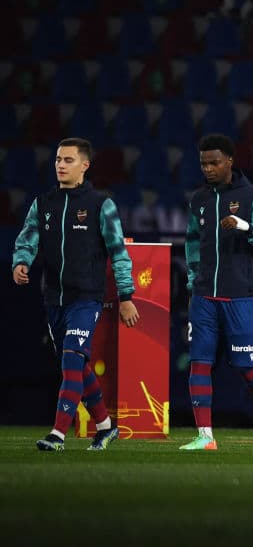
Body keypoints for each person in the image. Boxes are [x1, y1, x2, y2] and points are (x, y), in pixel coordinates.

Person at [11, 137, 139, 451]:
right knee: (77, 365)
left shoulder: (100, 205)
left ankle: (57, 434)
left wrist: (126, 296)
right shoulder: (43, 204)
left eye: (68, 160)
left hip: (87, 298)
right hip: (54, 298)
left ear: (85, 165)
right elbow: (27, 238)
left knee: (71, 360)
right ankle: (106, 427)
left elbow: (119, 253)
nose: (61, 165)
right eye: (58, 159)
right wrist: (21, 261)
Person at [181, 134, 253, 451]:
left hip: (241, 295)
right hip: (204, 296)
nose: (208, 169)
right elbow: (192, 243)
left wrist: (245, 226)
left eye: (214, 163)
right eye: (203, 164)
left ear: (230, 162)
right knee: (199, 362)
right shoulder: (199, 199)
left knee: (247, 366)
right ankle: (205, 436)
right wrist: (193, 281)